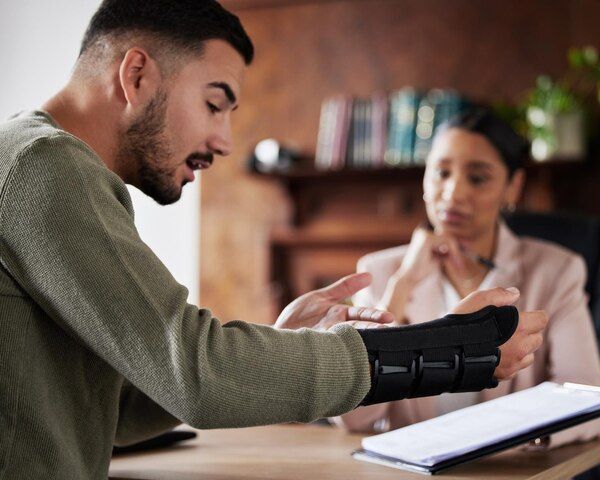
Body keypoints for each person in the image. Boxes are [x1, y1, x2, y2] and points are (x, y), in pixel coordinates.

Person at [0, 2, 547, 479]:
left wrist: (277, 340)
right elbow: (194, 375)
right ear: (137, 74)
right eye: (216, 104)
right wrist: (457, 348)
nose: (224, 141)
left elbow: (117, 407)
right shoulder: (44, 167)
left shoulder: (39, 166)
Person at [334, 109, 600, 448]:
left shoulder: (556, 271)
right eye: (441, 173)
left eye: (477, 178)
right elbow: (352, 418)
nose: (453, 193)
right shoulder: (380, 272)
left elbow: (591, 402)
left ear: (513, 187)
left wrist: (524, 436)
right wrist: (402, 284)